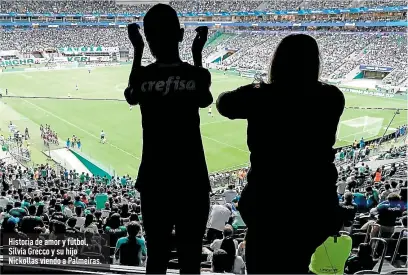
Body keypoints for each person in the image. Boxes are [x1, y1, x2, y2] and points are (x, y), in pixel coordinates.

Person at [216, 34, 345, 274]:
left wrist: (257, 86)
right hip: (314, 205)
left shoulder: (261, 96)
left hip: (268, 204)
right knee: (297, 264)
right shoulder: (332, 96)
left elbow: (224, 103)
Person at [124, 4, 212, 274]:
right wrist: (197, 56)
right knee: (190, 258)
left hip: (154, 179)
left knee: (157, 257)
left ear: (147, 39)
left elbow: (131, 95)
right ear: (181, 34)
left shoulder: (142, 75)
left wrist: (137, 51)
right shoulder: (197, 75)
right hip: (192, 177)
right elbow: (204, 98)